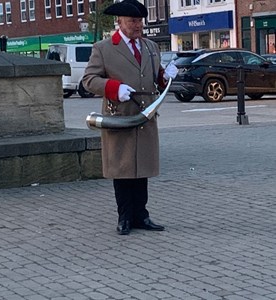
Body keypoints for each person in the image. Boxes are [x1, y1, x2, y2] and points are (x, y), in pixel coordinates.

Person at [82, 0, 177, 235]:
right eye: (133, 21)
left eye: (140, 21)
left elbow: (155, 79)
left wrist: (166, 77)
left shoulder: (150, 47)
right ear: (120, 22)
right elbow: (89, 80)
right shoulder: (103, 48)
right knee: (122, 169)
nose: (138, 26)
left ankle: (141, 215)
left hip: (145, 116)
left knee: (141, 168)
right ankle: (124, 216)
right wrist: (114, 88)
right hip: (120, 116)